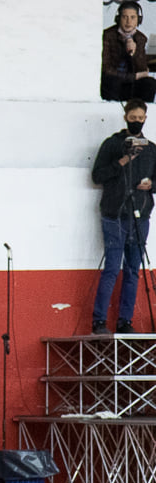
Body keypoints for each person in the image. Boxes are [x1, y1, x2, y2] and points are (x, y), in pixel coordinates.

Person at [92, 98, 156, 334]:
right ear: (126, 117)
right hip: (114, 214)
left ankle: (124, 321)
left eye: (141, 118)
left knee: (132, 270)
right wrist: (122, 161)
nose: (137, 121)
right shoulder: (112, 144)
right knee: (111, 268)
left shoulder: (151, 148)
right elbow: (97, 175)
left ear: (145, 119)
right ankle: (99, 320)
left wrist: (150, 185)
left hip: (141, 215)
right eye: (133, 118)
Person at [101, 1, 156, 103]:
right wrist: (133, 77)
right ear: (118, 19)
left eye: (132, 17)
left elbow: (142, 69)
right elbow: (105, 69)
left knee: (150, 84)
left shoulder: (140, 38)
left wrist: (135, 53)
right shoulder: (108, 35)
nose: (128, 22)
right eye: (125, 17)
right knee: (111, 81)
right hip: (114, 82)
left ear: (138, 20)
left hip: (131, 84)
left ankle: (140, 113)